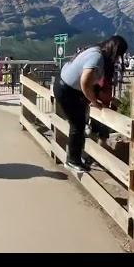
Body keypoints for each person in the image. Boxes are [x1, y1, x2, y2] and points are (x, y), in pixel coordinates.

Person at [53, 35, 128, 172]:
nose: (117, 59)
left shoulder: (94, 50)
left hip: (65, 85)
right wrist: (95, 102)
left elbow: (91, 85)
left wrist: (102, 98)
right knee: (78, 124)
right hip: (67, 90)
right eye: (118, 55)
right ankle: (72, 161)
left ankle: (78, 157)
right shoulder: (97, 58)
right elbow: (85, 82)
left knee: (79, 123)